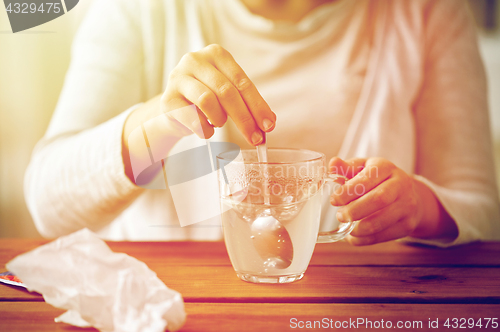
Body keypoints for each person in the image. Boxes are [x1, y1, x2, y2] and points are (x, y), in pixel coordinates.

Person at [25, 0, 500, 246]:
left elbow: (482, 208)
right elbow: (48, 204)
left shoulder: (426, 12)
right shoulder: (139, 9)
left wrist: (424, 208)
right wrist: (155, 125)